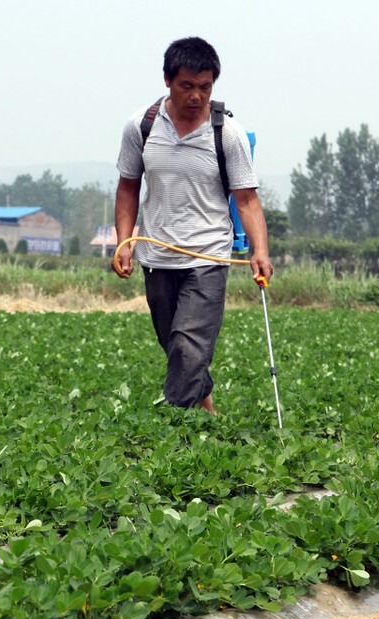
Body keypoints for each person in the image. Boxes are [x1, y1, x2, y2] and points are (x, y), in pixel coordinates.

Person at [114, 36, 273, 415]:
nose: (197, 96)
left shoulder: (226, 133)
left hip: (207, 257)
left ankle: (172, 427)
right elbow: (127, 187)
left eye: (205, 87)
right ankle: (208, 413)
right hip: (157, 254)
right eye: (187, 85)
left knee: (189, 343)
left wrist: (260, 250)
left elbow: (247, 199)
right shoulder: (142, 126)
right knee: (175, 343)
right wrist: (124, 242)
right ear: (168, 80)